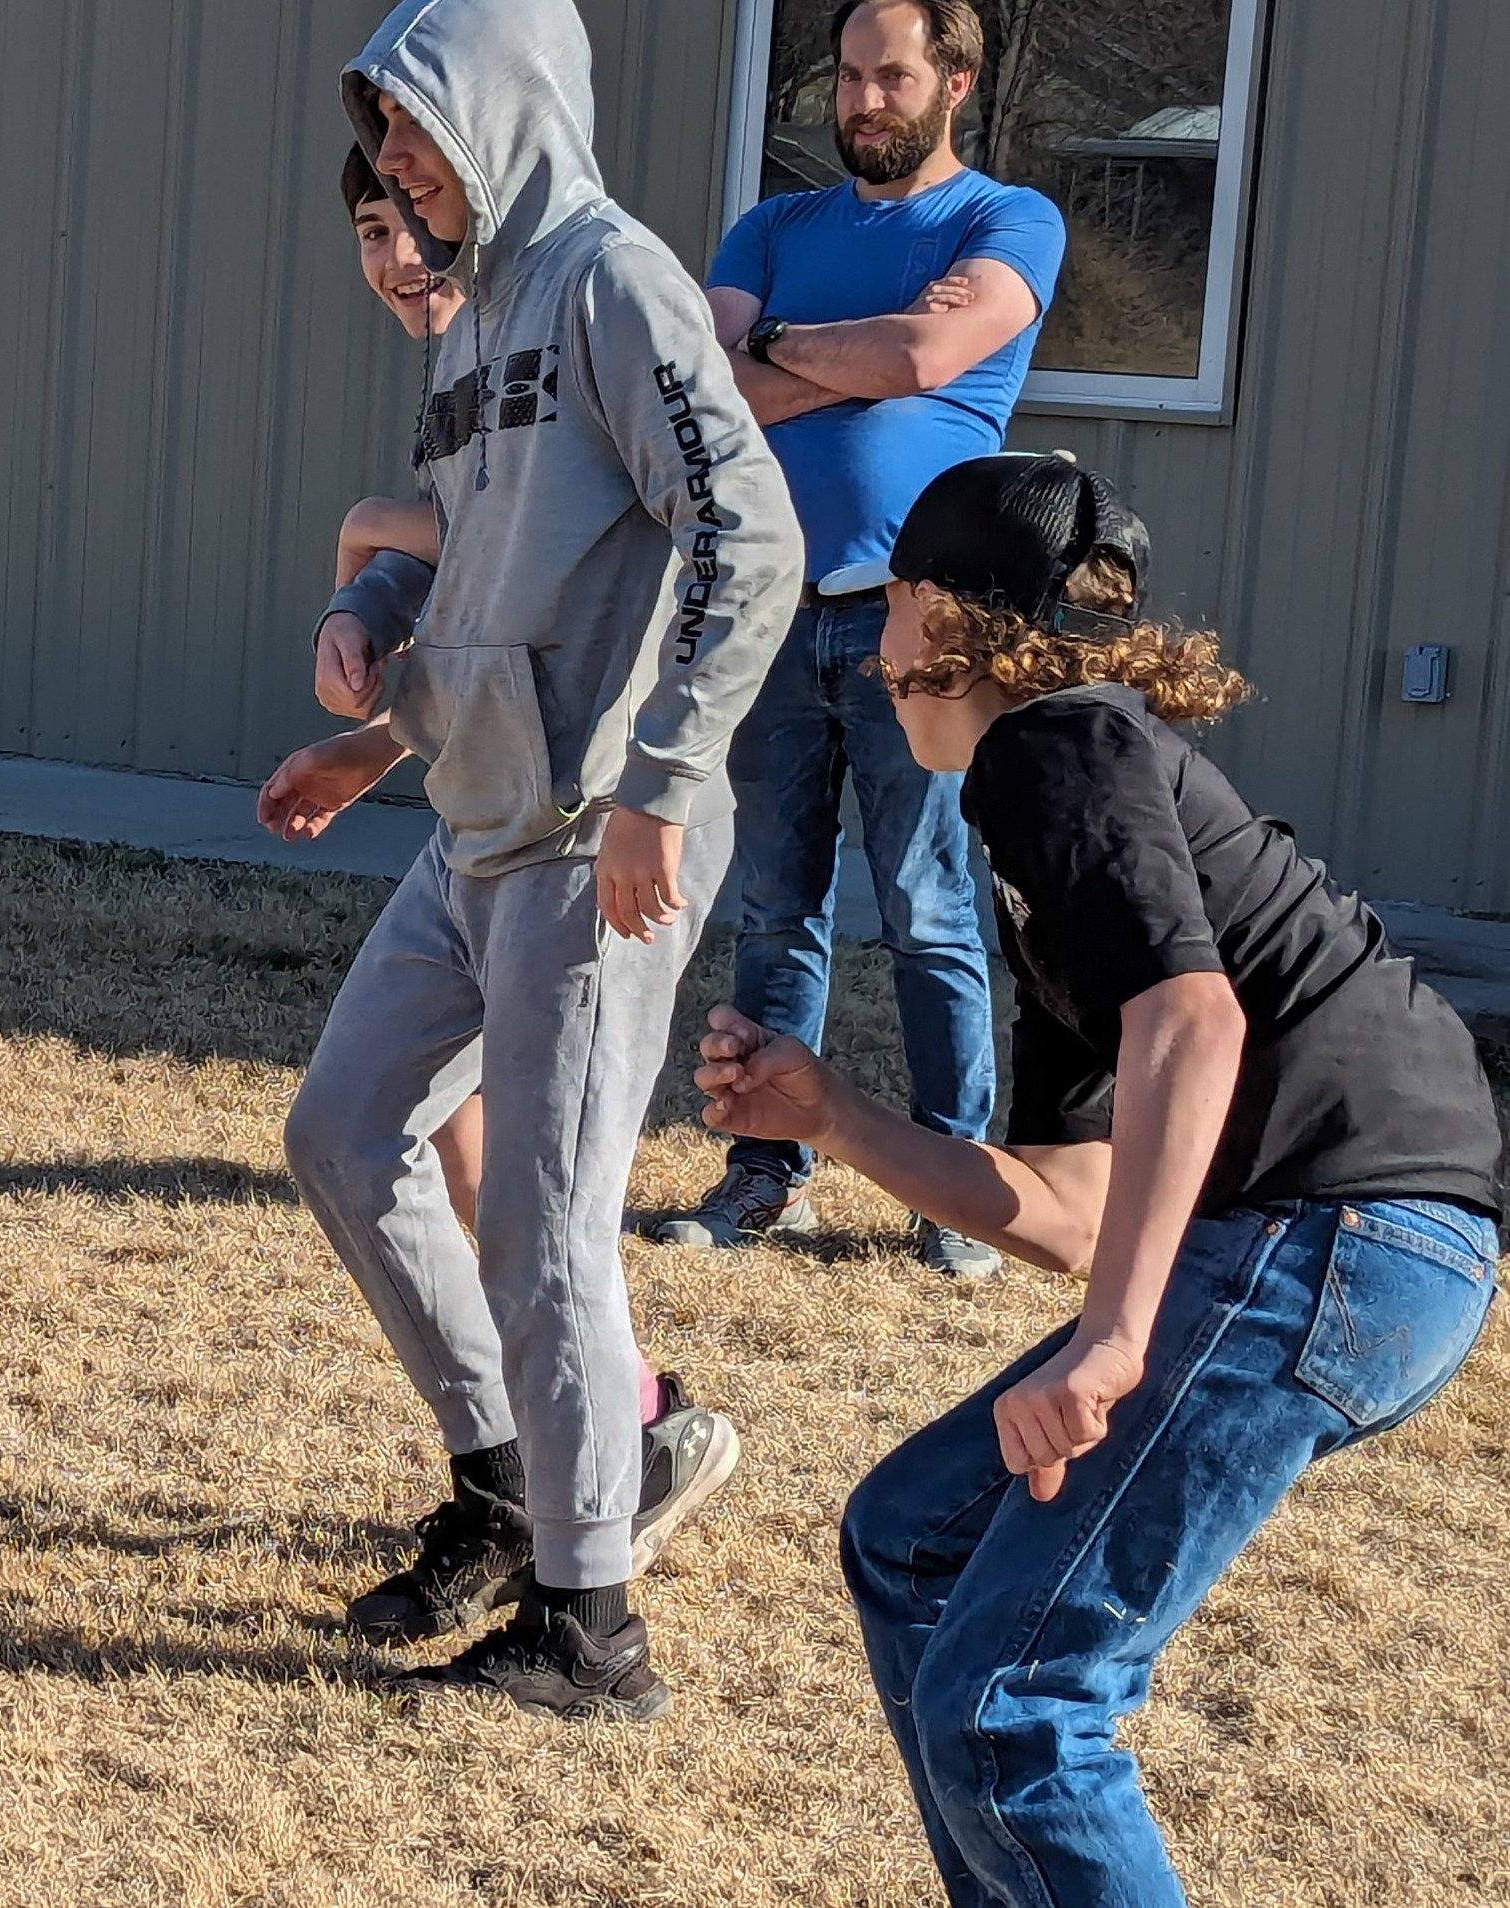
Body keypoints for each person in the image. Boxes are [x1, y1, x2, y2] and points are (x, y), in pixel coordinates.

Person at [696, 452, 1501, 1903]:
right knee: (908, 1543)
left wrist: (1117, 1344)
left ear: (941, 615)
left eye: (885, 605)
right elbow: (1070, 1210)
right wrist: (833, 1117)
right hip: (1358, 1254)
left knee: (1012, 1708)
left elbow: (1192, 1023)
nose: (872, 647)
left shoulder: (1051, 743)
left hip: (1337, 1235)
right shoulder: (1061, 809)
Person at [277, 0, 801, 1721]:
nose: (394, 163)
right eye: (381, 134)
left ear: (500, 110)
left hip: (596, 838)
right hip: (476, 820)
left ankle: (589, 1626)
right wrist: (372, 627)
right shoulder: (472, 312)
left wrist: (664, 776)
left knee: (542, 1220)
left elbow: (746, 532)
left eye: (415, 127)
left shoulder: (606, 279)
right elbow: (462, 546)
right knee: (343, 1129)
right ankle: (510, 1482)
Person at [659, 0, 1064, 1278]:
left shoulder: (1007, 221)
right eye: (845, 76)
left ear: (954, 83)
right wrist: (853, 354)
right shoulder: (773, 228)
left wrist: (786, 346)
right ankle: (761, 1171)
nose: (863, 100)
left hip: (919, 623)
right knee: (774, 906)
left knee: (930, 909)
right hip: (767, 613)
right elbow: (705, 383)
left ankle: (958, 1191)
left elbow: (934, 353)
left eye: (891, 75)